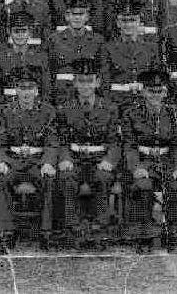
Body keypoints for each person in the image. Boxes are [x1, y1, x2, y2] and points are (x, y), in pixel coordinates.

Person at [121, 69, 177, 253]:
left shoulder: (173, 114)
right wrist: (136, 167)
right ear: (143, 92)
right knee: (142, 185)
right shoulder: (131, 113)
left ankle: (173, 230)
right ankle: (145, 233)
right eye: (151, 91)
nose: (155, 95)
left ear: (165, 92)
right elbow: (129, 145)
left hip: (167, 160)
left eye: (159, 91)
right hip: (143, 160)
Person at [54, 58, 120, 247]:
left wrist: (109, 160)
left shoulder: (110, 108)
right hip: (75, 158)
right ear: (74, 83)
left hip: (99, 158)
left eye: (89, 81)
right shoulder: (65, 108)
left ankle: (100, 227)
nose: (85, 86)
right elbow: (61, 140)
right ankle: (73, 227)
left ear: (97, 82)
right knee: (67, 177)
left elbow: (115, 141)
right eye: (81, 81)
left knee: (102, 177)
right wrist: (65, 158)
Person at [0, 67, 59, 253]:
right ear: (16, 90)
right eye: (22, 88)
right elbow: (0, 143)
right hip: (13, 160)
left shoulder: (47, 111)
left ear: (37, 90)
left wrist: (48, 162)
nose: (26, 93)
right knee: (0, 178)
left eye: (30, 88)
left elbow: (52, 143)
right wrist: (1, 161)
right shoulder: (6, 111)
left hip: (37, 160)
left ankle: (46, 232)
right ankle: (6, 232)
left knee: (49, 178)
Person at [102, 0, 162, 113]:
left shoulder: (150, 49)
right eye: (124, 20)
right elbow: (105, 84)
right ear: (118, 23)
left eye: (132, 20)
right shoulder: (108, 49)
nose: (128, 24)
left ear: (139, 22)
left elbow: (156, 82)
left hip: (144, 105)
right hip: (117, 104)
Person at [48, 0, 105, 105]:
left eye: (81, 14)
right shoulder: (54, 40)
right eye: (73, 14)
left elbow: (102, 71)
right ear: (67, 16)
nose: (77, 18)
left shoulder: (97, 41)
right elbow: (49, 73)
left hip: (88, 97)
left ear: (87, 17)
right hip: (62, 97)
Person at [0, 11, 50, 103]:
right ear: (9, 32)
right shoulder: (0, 57)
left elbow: (45, 89)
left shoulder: (40, 57)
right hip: (8, 104)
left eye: (24, 31)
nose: (20, 35)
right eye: (16, 31)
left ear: (30, 32)